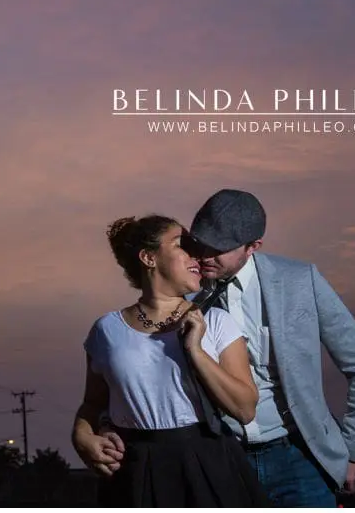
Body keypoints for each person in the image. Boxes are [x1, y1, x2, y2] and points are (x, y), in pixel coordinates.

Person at [186, 189, 355, 508]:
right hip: (223, 461)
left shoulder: (299, 280)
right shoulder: (183, 293)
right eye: (201, 242)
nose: (206, 254)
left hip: (299, 459)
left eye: (220, 246)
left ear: (253, 247)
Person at [72, 213, 271, 506]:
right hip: (134, 467)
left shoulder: (216, 321)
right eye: (183, 246)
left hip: (207, 462)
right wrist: (81, 437)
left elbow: (244, 409)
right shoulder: (107, 330)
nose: (198, 257)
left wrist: (196, 351)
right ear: (149, 258)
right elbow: (92, 405)